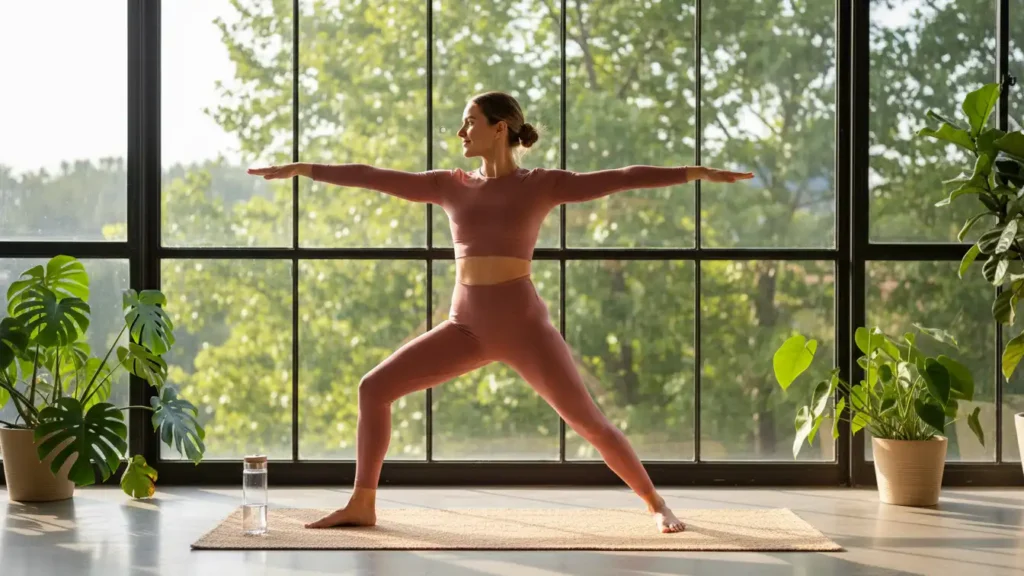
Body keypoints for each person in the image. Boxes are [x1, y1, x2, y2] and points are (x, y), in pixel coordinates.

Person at [248, 91, 753, 534]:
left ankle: (655, 503)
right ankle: (362, 504)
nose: (461, 130)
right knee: (373, 388)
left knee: (590, 423)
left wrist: (694, 173)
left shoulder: (542, 185)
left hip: (524, 330)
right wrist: (302, 169)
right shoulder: (449, 185)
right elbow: (373, 177)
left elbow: (620, 178)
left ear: (500, 127)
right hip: (464, 327)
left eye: (470, 121)